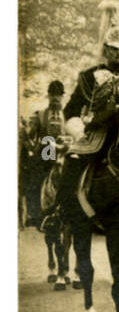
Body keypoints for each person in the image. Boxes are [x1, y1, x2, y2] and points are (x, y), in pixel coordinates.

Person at [41, 5, 119, 231]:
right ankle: (60, 211)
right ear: (105, 50)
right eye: (114, 49)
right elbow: (71, 112)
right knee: (72, 161)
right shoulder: (88, 77)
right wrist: (78, 128)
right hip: (97, 134)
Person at [24, 81, 66, 226]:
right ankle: (36, 215)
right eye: (53, 95)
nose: (55, 98)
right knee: (36, 178)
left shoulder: (67, 114)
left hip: (64, 152)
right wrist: (30, 128)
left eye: (58, 95)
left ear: (62, 96)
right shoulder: (41, 114)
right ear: (48, 96)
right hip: (46, 150)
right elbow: (31, 132)